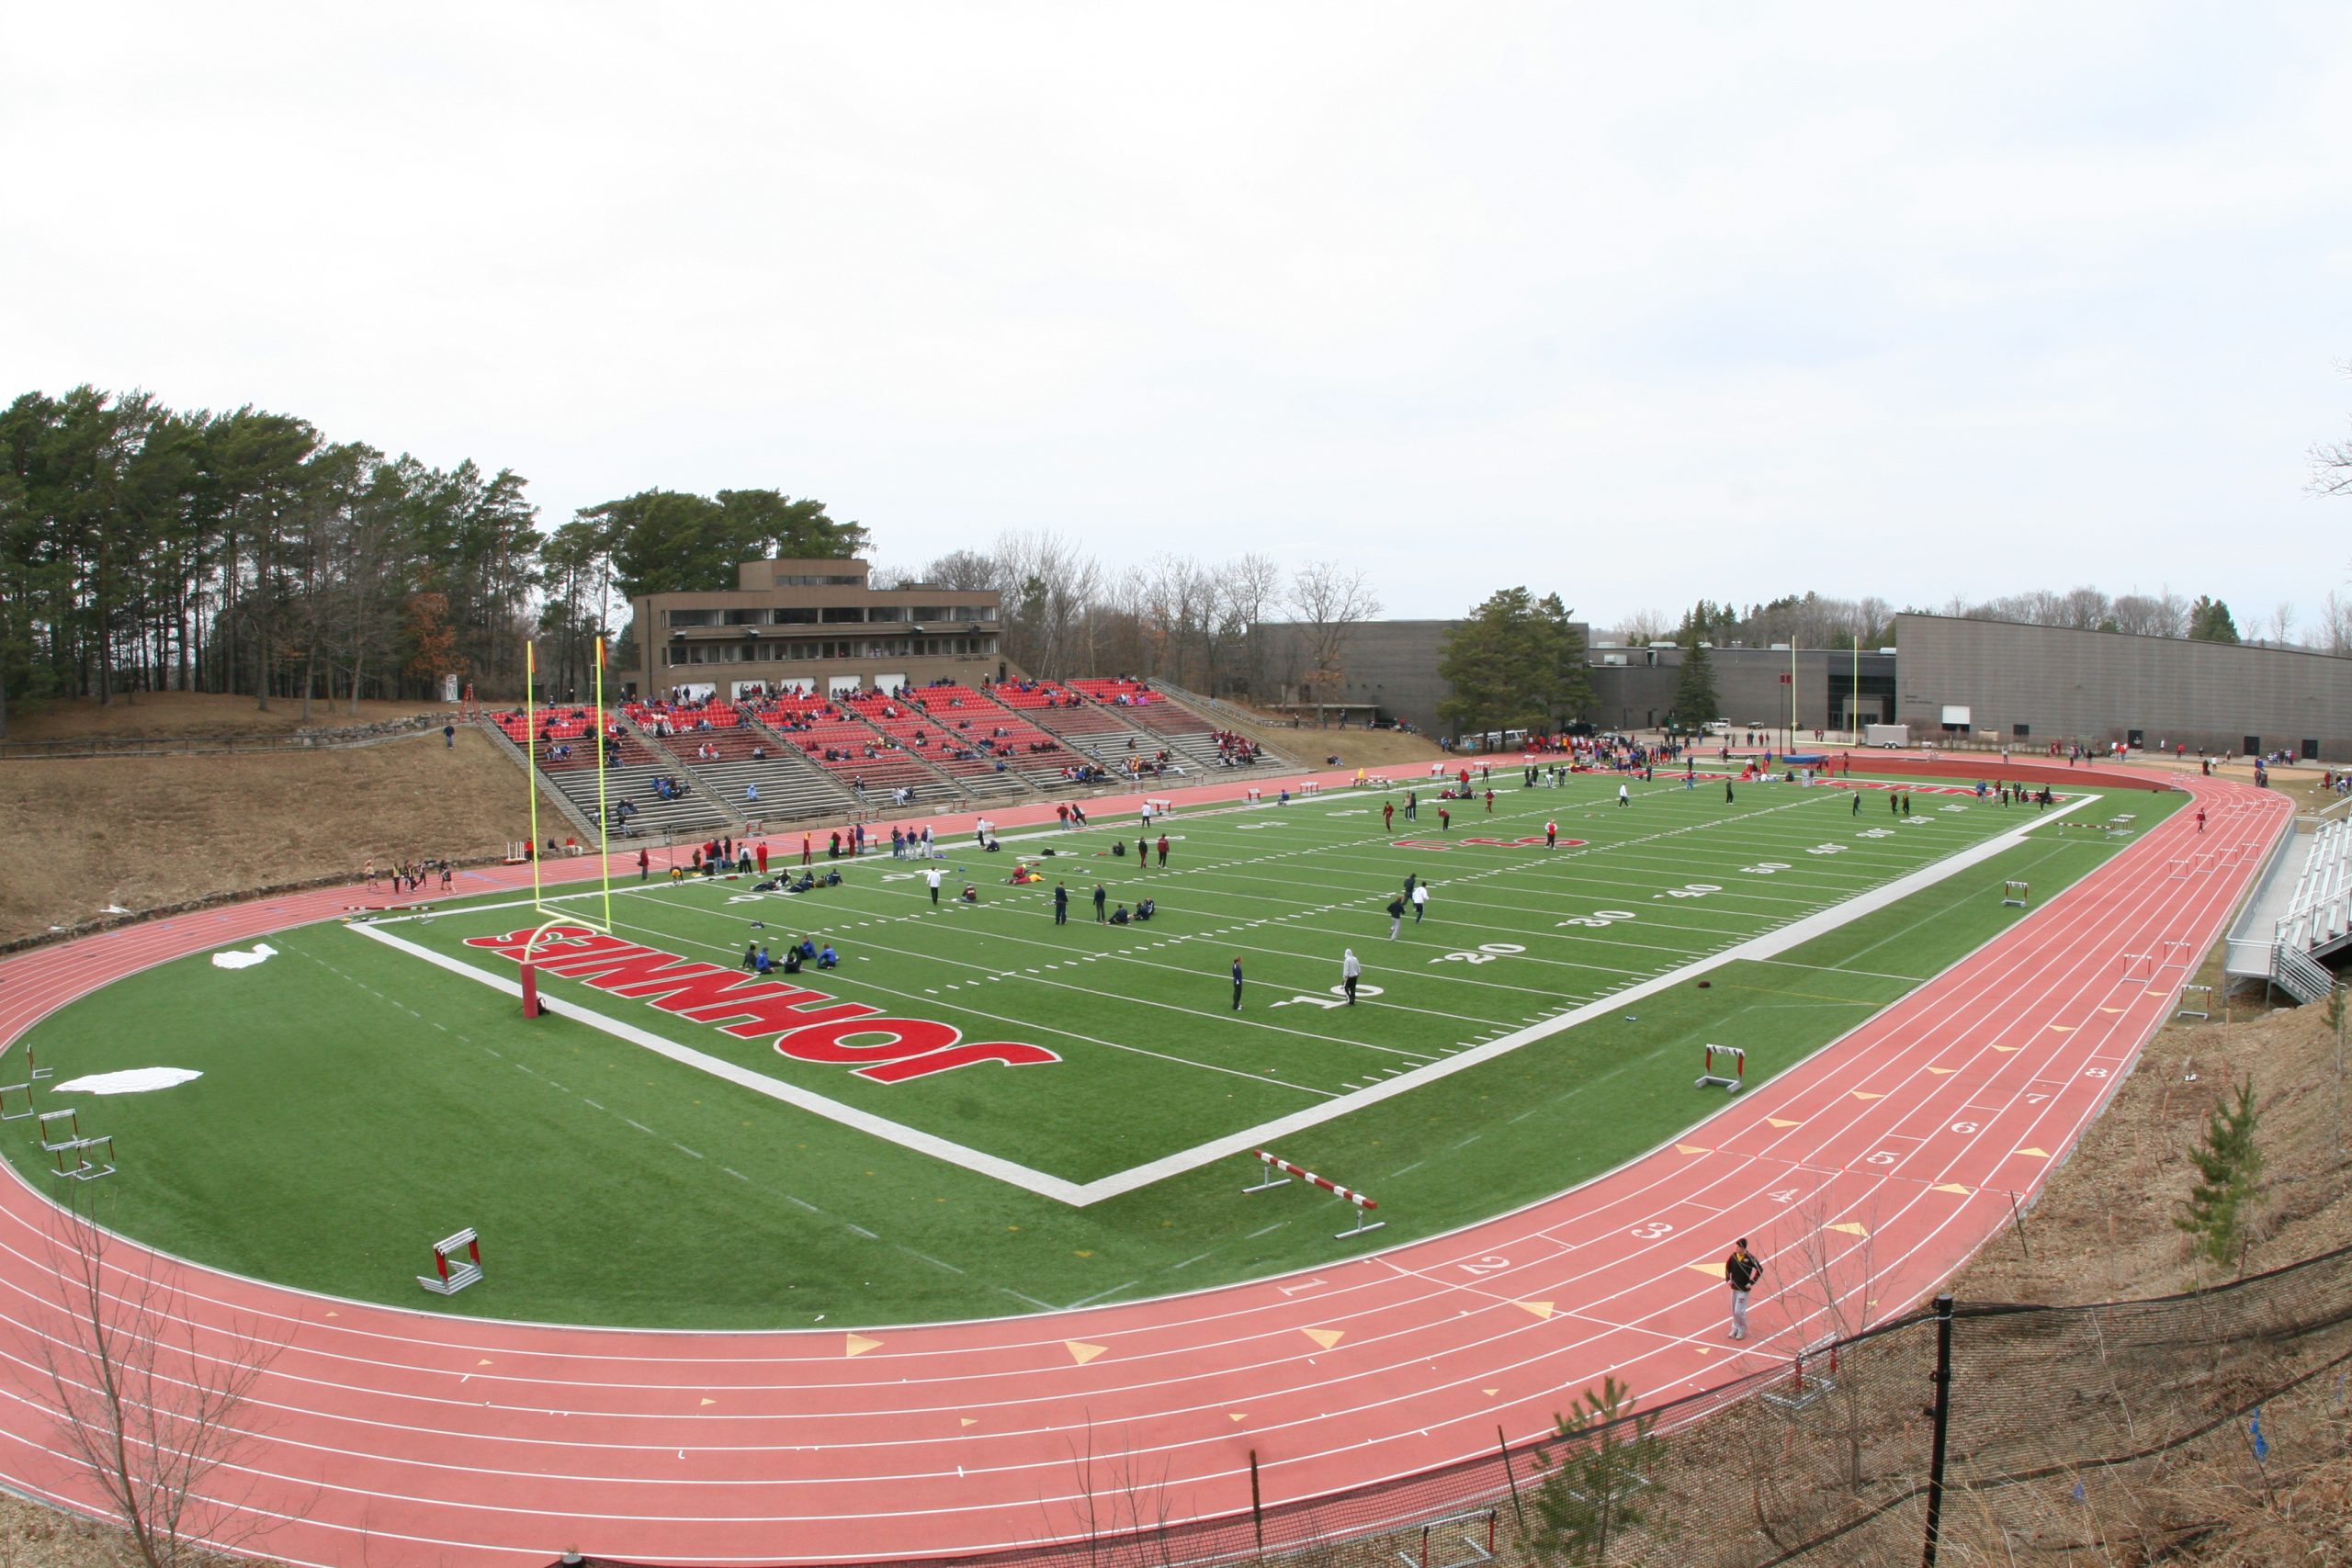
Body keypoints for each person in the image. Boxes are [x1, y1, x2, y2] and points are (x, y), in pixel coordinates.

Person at [1725, 1238, 1764, 1340]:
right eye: (1736, 1246)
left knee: (1739, 1311)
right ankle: (1734, 1328)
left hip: (1743, 1290)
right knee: (1734, 1311)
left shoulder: (1750, 1258)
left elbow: (1760, 1269)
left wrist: (1752, 1282)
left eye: (1738, 1247)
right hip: (1734, 1289)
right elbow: (1727, 1267)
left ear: (1743, 1248)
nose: (1736, 1248)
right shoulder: (1733, 1256)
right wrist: (1728, 1279)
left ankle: (1742, 1328)